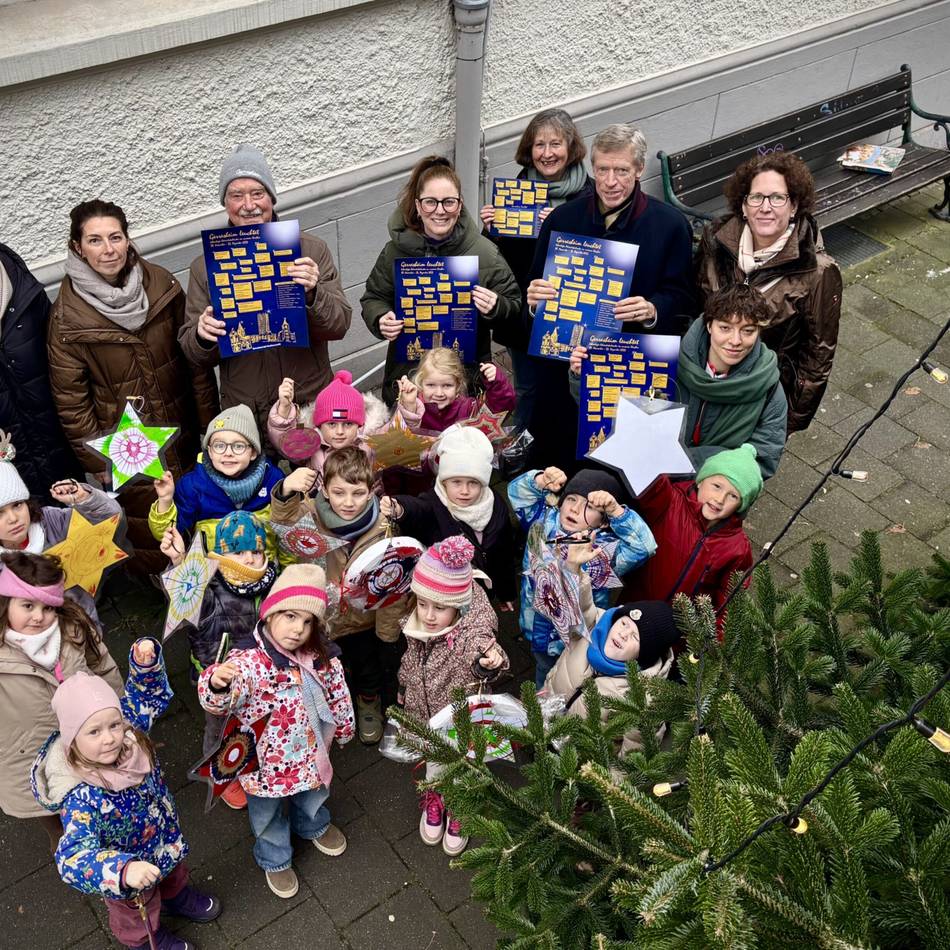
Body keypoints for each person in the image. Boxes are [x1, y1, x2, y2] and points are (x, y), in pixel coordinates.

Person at [46, 199, 219, 572]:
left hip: (182, 423)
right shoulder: (66, 318)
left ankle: (216, 581)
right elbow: (71, 402)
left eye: (115, 237)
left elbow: (195, 362)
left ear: (127, 239)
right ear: (78, 247)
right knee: (153, 524)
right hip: (127, 446)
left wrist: (210, 424)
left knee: (200, 509)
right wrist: (102, 462)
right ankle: (167, 590)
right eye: (95, 240)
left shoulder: (162, 285)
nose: (108, 249)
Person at [525, 123, 695, 470]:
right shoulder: (563, 219)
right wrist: (533, 300)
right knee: (558, 447)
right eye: (603, 169)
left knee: (621, 455)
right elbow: (535, 284)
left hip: (630, 360)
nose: (611, 181)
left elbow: (682, 294)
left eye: (621, 170)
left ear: (638, 170)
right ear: (593, 168)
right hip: (564, 359)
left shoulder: (670, 225)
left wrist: (652, 308)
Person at [32, 639, 221, 950]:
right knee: (135, 913)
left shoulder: (129, 734)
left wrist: (145, 664)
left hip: (161, 839)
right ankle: (143, 941)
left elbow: (144, 697)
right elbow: (72, 857)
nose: (109, 738)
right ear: (72, 738)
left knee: (173, 874)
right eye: (93, 732)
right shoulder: (80, 796)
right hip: (128, 874)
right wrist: (122, 871)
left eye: (114, 725)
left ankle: (176, 897)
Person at [198, 564, 354, 900]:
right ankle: (275, 857)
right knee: (266, 815)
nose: (298, 629)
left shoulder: (320, 657)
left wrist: (343, 728)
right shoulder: (249, 661)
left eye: (308, 621)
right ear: (269, 614)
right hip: (265, 764)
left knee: (313, 796)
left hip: (310, 753)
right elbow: (223, 699)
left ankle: (313, 824)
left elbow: (337, 693)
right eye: (290, 616)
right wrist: (216, 683)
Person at [177, 144, 352, 441]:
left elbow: (340, 325)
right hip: (247, 409)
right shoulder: (205, 266)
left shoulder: (310, 250)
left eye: (258, 193)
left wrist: (313, 294)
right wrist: (201, 335)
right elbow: (195, 354)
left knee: (314, 478)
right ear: (225, 203)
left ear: (271, 198)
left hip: (307, 400)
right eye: (236, 195)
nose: (249, 204)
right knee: (261, 484)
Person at [697, 151, 842, 434]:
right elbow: (696, 306)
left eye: (777, 198)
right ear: (743, 205)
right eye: (756, 197)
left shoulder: (819, 271)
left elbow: (818, 356)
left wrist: (785, 423)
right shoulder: (715, 241)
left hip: (761, 396)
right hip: (706, 382)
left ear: (794, 206)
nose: (766, 207)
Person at [269, 447, 407, 744]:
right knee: (325, 668)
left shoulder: (383, 530)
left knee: (367, 666)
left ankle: (368, 702)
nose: (348, 502)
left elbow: (391, 588)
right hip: (324, 618)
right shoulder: (310, 513)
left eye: (357, 493)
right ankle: (329, 707)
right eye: (339, 492)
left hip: (363, 620)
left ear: (372, 491)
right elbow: (281, 523)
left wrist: (387, 636)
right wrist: (285, 490)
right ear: (325, 490)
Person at [361, 155, 521, 405]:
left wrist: (496, 305)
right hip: (408, 380)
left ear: (459, 205)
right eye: (430, 202)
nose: (439, 211)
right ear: (417, 205)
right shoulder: (394, 251)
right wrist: (381, 318)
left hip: (463, 382)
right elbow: (374, 297)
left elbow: (513, 303)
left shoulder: (484, 252)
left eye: (448, 202)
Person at [478, 109, 592, 430]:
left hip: (570, 310)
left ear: (571, 148)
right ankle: (522, 449)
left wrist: (559, 229)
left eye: (555, 144)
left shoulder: (589, 193)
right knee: (526, 386)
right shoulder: (518, 190)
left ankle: (561, 449)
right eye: (538, 145)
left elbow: (598, 250)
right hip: (524, 310)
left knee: (566, 386)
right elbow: (500, 257)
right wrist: (493, 229)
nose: (546, 153)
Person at [0, 552, 122, 852]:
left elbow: (103, 666)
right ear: (6, 604)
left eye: (48, 607)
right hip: (27, 758)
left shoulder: (72, 631)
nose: (38, 616)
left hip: (86, 745)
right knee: (53, 814)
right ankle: (64, 845)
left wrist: (120, 712)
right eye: (27, 606)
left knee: (102, 805)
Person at [397, 536, 508, 856]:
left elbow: (487, 652)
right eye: (423, 604)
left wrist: (489, 662)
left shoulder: (470, 633)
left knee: (466, 770)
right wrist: (403, 692)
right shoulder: (419, 624)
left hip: (462, 722)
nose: (429, 615)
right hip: (425, 714)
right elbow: (410, 662)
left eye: (440, 608)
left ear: (459, 606)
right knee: (434, 765)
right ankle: (436, 800)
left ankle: (461, 809)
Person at [161, 511, 278, 811]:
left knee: (258, 719)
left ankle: (256, 757)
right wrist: (179, 563)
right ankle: (222, 774)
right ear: (223, 553)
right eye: (239, 552)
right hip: (220, 679)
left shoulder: (272, 580)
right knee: (219, 728)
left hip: (260, 675)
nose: (250, 559)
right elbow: (188, 598)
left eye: (256, 550)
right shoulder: (211, 586)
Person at [507, 466, 656, 688]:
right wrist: (540, 480)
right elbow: (516, 494)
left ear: (604, 522)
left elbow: (644, 546)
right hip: (533, 626)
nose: (575, 509)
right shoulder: (542, 521)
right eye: (572, 499)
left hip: (574, 640)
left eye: (590, 507)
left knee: (568, 680)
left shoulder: (603, 551)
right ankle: (540, 700)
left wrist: (617, 512)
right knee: (542, 672)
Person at [546, 543, 681, 755]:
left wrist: (601, 782)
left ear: (643, 656)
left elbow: (633, 757)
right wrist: (572, 569)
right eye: (625, 623)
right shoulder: (593, 628)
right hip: (546, 715)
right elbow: (578, 606)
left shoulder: (644, 698)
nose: (623, 633)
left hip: (580, 761)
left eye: (635, 637)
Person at [619, 443, 761, 636]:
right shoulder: (670, 500)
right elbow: (646, 473)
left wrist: (714, 641)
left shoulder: (737, 548)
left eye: (733, 496)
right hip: (632, 608)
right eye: (717, 486)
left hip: (680, 632)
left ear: (740, 505)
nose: (720, 499)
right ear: (701, 481)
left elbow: (728, 598)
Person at [381, 425, 517, 608]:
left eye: (473, 483)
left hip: (482, 594)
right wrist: (398, 508)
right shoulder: (434, 503)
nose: (465, 491)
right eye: (456, 482)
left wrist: (505, 592)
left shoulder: (496, 505)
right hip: (442, 600)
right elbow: (417, 510)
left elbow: (504, 554)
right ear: (444, 481)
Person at [0, 439, 121, 628]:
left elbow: (110, 518)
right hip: (38, 646)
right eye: (0, 513)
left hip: (86, 626)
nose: (13, 518)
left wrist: (85, 498)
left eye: (17, 505)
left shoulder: (50, 521)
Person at [676, 284, 788, 479]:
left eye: (747, 331)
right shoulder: (667, 362)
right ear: (709, 326)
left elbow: (764, 457)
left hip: (713, 493)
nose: (735, 340)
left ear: (758, 332)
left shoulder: (769, 389)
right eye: (725, 328)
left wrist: (687, 462)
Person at [0, 243, 82, 499]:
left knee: (77, 529)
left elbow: (63, 363)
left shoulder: (17, 280)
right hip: (8, 474)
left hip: (54, 441)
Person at [149, 404, 284, 560]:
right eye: (219, 446)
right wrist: (165, 500)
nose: (228, 453)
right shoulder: (193, 486)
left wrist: (287, 573)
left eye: (238, 446)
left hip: (264, 572)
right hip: (215, 576)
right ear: (209, 451)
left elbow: (287, 532)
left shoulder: (273, 479)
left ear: (253, 452)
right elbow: (167, 536)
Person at [267, 370, 390, 490]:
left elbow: (400, 431)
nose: (340, 431)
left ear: (360, 425)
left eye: (348, 424)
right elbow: (285, 443)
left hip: (366, 502)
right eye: (332, 424)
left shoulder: (372, 440)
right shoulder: (311, 443)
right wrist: (284, 409)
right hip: (319, 504)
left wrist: (408, 406)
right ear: (319, 425)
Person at [392, 345, 515, 433]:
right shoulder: (416, 407)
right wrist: (408, 407)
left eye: (447, 385)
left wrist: (497, 384)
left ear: (458, 385)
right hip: (422, 467)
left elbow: (499, 409)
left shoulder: (468, 408)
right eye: (431, 385)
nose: (439, 393)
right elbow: (399, 436)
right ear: (420, 383)